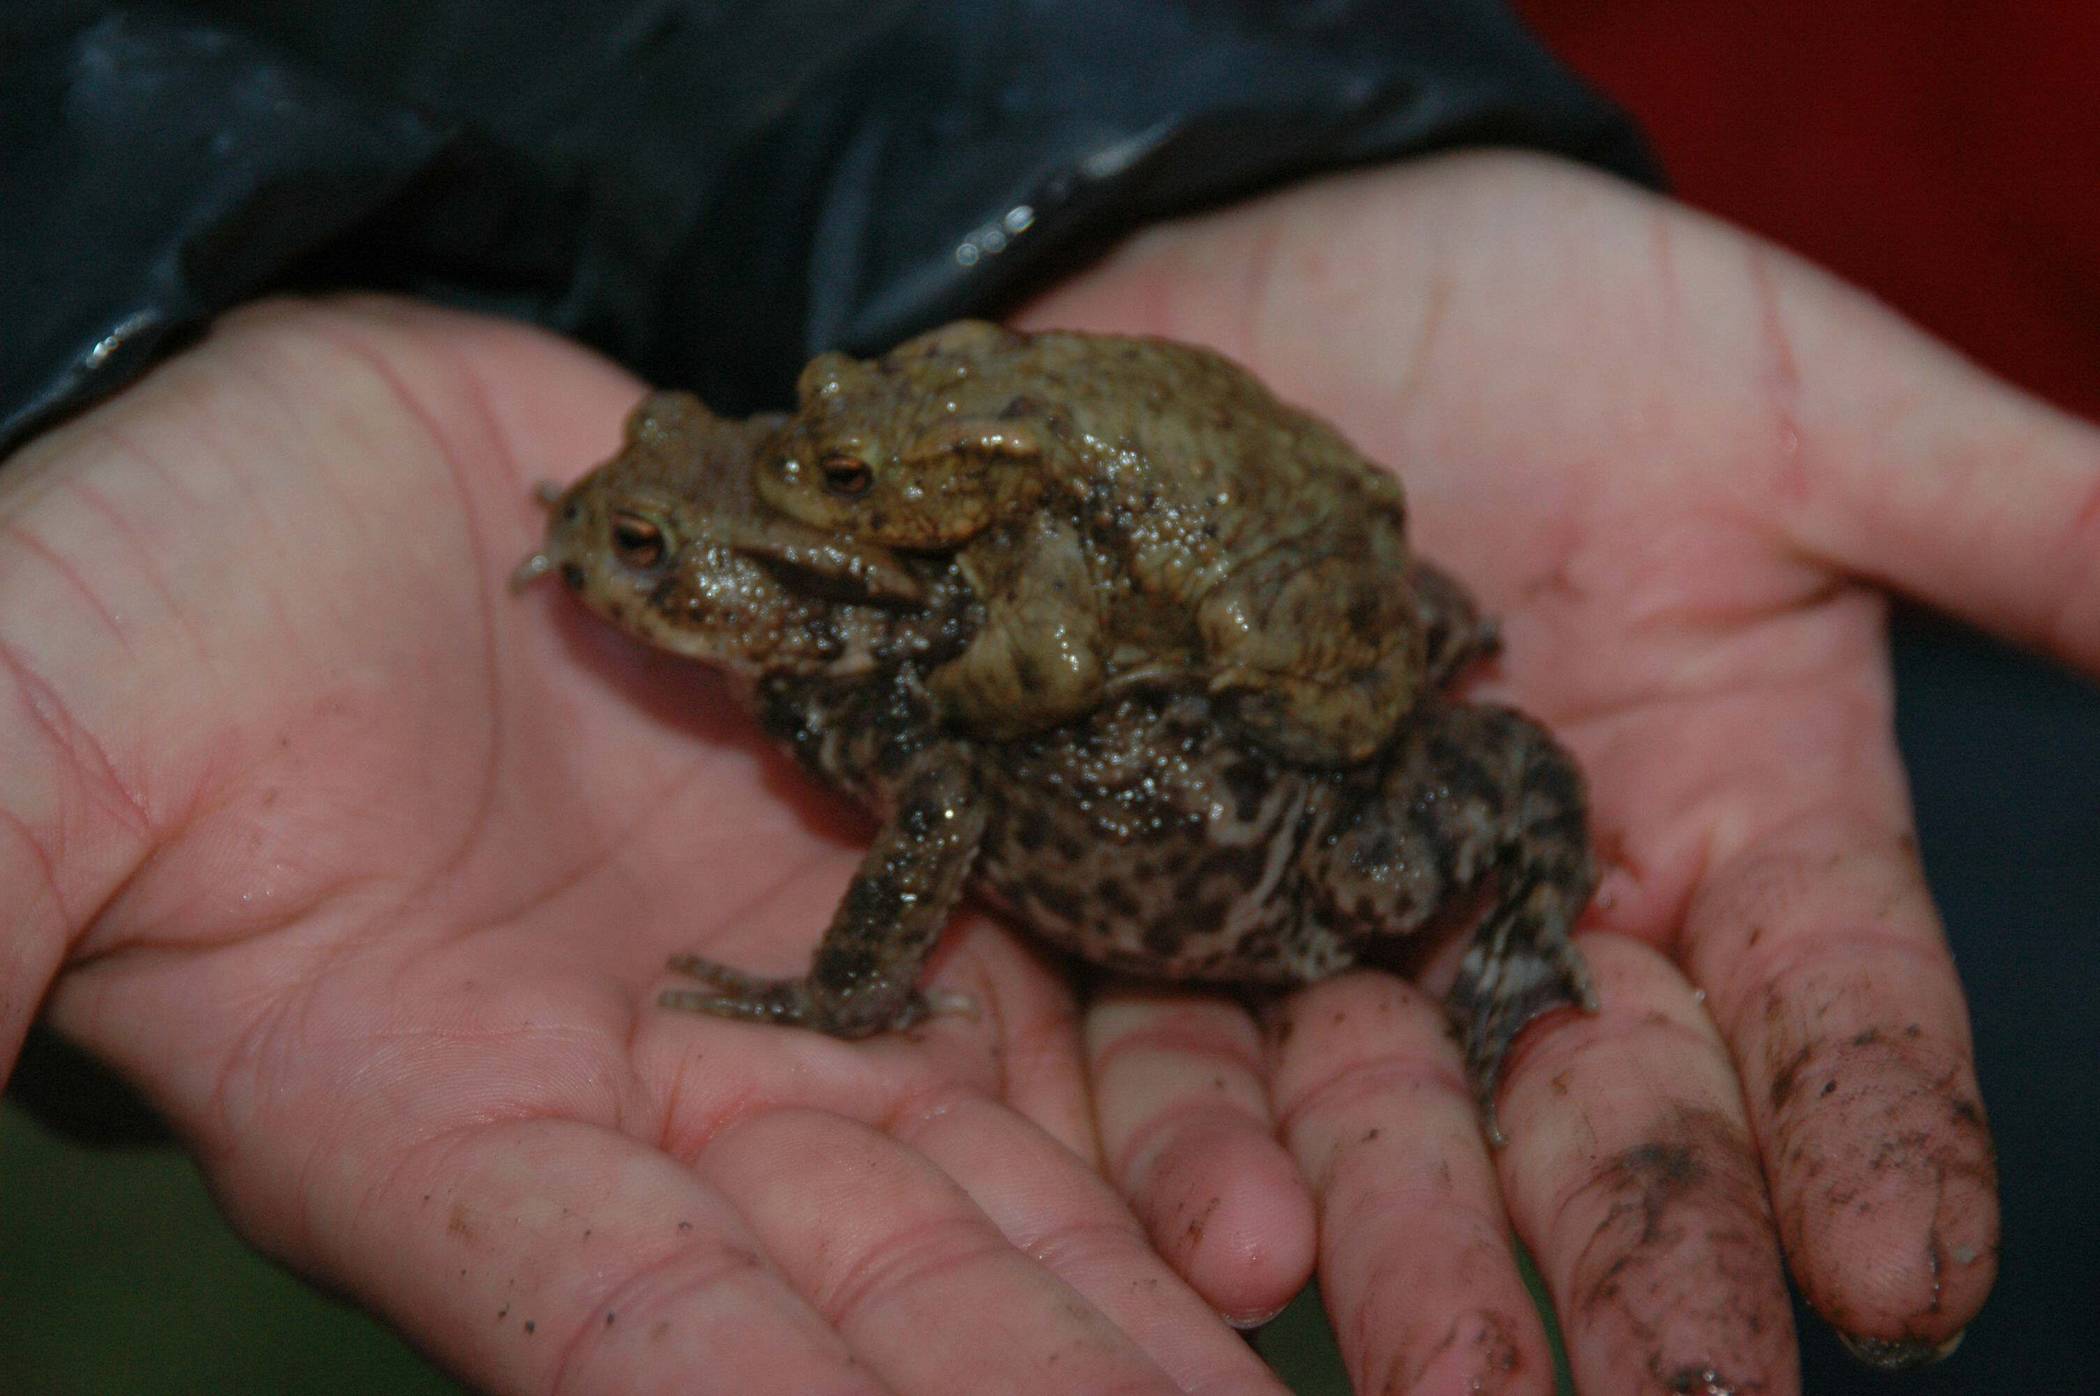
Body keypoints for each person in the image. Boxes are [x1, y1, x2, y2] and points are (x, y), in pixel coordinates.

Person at [8, 144, 2094, 1393]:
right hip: (1183, 748)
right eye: (626, 533)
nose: (603, 553)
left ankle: (1527, 921)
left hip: (1262, 843)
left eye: (655, 556)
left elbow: (932, 800)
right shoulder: (861, 615)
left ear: (770, 607)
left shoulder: (888, 663)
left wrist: (837, 982)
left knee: (1472, 819)